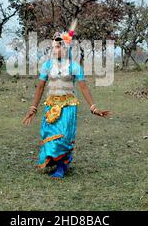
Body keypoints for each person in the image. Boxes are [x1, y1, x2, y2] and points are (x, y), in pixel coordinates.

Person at [23, 24, 111, 179]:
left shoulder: (75, 67)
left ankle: (61, 167)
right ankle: (56, 161)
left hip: (68, 107)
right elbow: (40, 87)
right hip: (51, 106)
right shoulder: (47, 66)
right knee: (49, 134)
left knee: (63, 137)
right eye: (53, 47)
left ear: (66, 49)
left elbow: (84, 88)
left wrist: (93, 107)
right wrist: (33, 107)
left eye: (58, 47)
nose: (55, 50)